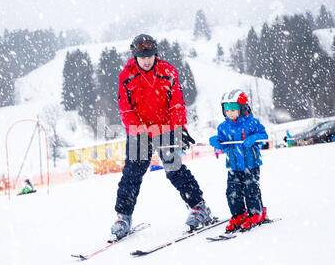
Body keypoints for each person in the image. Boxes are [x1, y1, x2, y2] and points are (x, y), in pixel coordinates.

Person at [110, 34, 214, 239]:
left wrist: (179, 128)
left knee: (174, 169)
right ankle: (123, 217)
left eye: (150, 55)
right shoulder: (126, 75)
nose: (147, 60)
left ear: (155, 54)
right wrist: (140, 132)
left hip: (165, 127)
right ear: (135, 56)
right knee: (132, 173)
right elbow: (125, 109)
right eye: (142, 57)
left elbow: (176, 103)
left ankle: (199, 207)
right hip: (139, 129)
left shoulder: (168, 71)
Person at [209, 90, 269, 232]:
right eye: (227, 110)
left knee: (251, 189)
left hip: (251, 164)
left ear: (242, 109)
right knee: (232, 191)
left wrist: (254, 138)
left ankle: (256, 213)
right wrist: (217, 142)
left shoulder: (252, 123)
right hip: (233, 165)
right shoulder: (223, 127)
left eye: (233, 110)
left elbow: (264, 135)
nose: (229, 113)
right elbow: (222, 142)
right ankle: (238, 214)